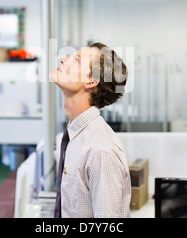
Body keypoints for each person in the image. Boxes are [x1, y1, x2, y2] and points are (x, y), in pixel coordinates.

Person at [50, 42, 131, 218]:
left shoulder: (100, 151)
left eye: (77, 60)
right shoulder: (76, 135)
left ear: (92, 81)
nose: (63, 60)